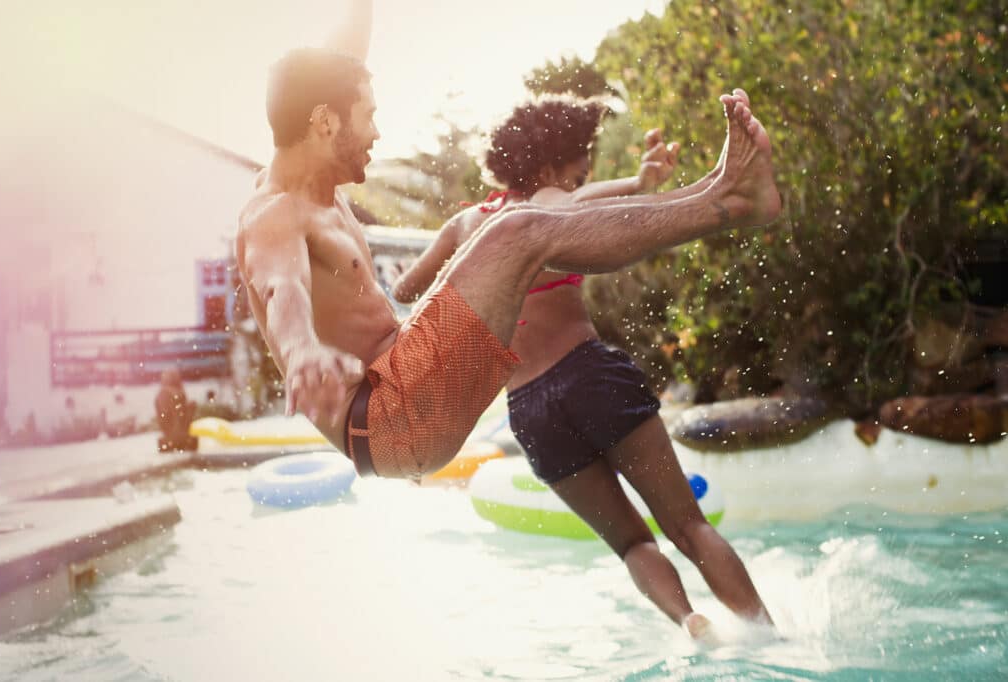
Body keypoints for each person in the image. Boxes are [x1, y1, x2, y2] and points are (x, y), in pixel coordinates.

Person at [236, 0, 781, 485]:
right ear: (327, 123)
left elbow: (339, 61)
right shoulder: (275, 214)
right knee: (515, 228)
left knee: (523, 222)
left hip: (403, 387)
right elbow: (281, 286)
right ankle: (732, 203)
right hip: (387, 419)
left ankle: (719, 188)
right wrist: (300, 350)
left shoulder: (317, 130)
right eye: (370, 116)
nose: (378, 132)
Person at [392, 97, 773, 638]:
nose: (583, 177)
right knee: (686, 525)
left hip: (529, 410)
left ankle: (689, 620)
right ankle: (765, 633)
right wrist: (638, 184)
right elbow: (587, 204)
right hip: (590, 375)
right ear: (548, 170)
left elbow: (408, 292)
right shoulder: (550, 204)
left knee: (632, 544)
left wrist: (457, 278)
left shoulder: (467, 226)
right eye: (579, 165)